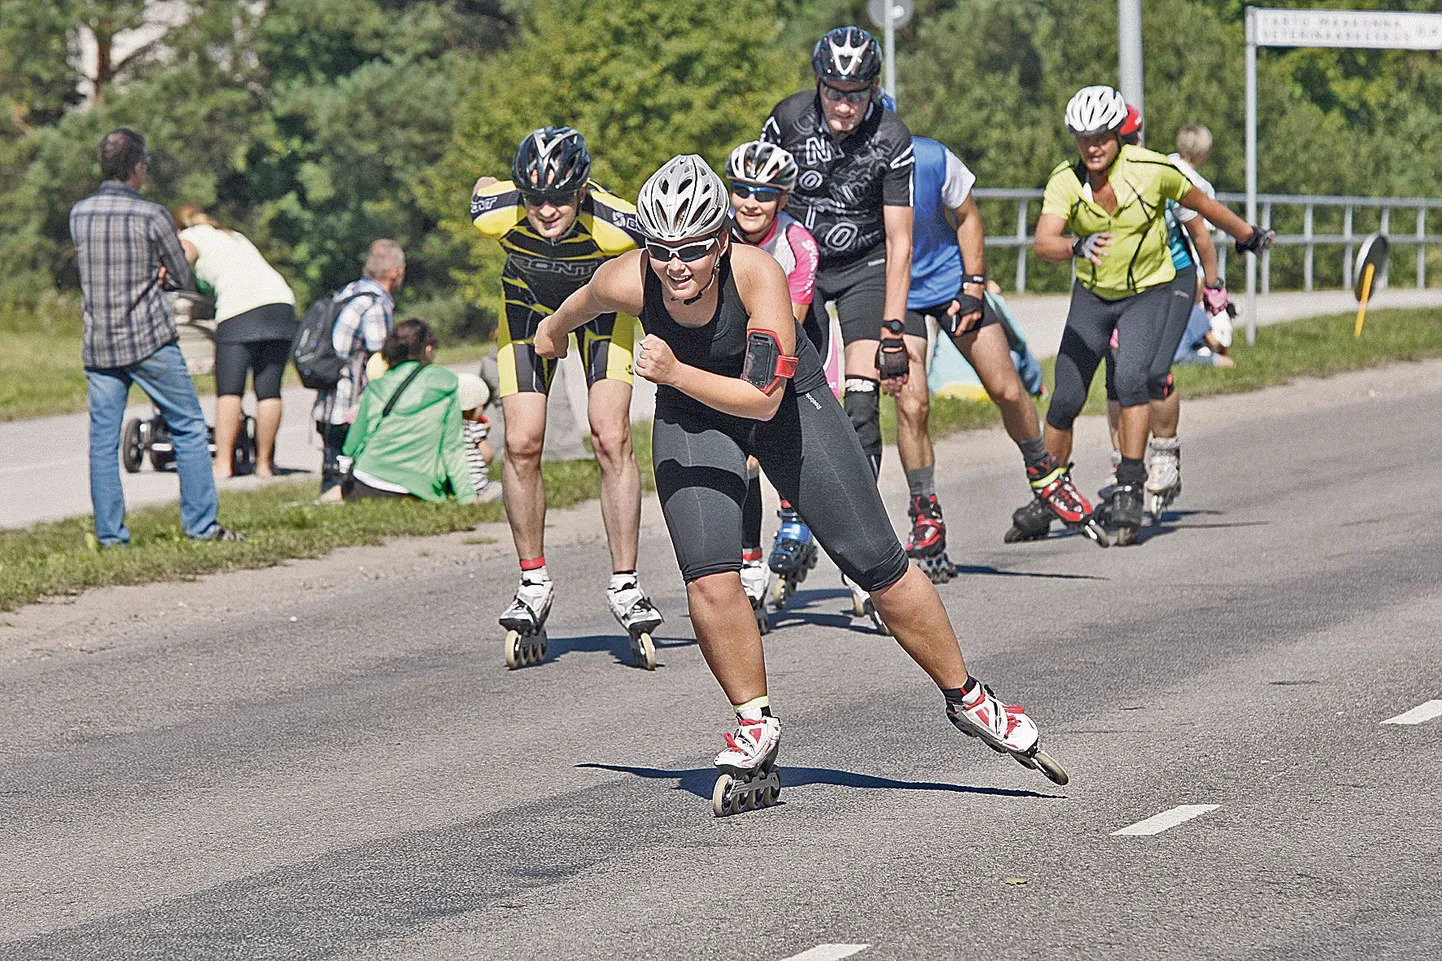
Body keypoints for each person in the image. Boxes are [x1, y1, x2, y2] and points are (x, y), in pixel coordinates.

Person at [534, 155, 1067, 815]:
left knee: (880, 565)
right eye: (664, 250)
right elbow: (581, 301)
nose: (677, 265)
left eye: (695, 249)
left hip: (785, 410)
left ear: (723, 240)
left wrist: (671, 373)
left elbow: (760, 399)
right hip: (695, 417)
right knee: (708, 575)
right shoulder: (630, 276)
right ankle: (754, 722)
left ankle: (968, 696)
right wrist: (549, 331)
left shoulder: (760, 275)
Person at [1030, 86, 1272, 545]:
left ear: (1118, 133)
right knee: (1066, 398)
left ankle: (1129, 486)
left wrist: (1248, 235)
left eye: (1101, 134)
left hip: (1150, 289)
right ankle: (1049, 490)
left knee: (1132, 379)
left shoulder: (1151, 170)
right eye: (1083, 137)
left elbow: (1204, 208)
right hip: (1095, 292)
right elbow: (1043, 242)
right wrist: (1073, 246)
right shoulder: (1064, 179)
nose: (1093, 146)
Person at [470, 126, 662, 655]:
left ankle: (626, 582)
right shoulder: (497, 214)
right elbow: (483, 188)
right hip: (526, 308)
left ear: (583, 190)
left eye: (560, 197)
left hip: (600, 310)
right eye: (535, 199)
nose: (547, 209)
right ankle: (533, 581)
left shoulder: (617, 226)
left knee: (610, 436)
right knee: (521, 442)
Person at [761, 26, 916, 617]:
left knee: (859, 408)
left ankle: (865, 556)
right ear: (817, 85)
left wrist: (894, 330)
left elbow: (901, 240)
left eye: (857, 93)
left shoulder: (891, 136)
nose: (845, 106)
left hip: (863, 268)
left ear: (875, 89)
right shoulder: (788, 119)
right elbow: (757, 200)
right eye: (834, 92)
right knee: (787, 397)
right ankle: (795, 521)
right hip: (800, 261)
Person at [905, 136, 1107, 565]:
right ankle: (925, 511)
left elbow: (968, 215)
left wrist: (974, 284)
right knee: (912, 404)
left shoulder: (932, 156)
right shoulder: (847, 165)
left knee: (1008, 388)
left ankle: (1045, 475)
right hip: (896, 292)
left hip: (948, 281)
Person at [69, 128, 242, 546]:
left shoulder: (80, 213)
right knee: (186, 426)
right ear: (138, 167)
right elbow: (181, 276)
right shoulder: (151, 215)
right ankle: (201, 526)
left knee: (103, 444)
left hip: (101, 343)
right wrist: (161, 273)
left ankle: (111, 536)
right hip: (149, 340)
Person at [1096, 108, 1226, 522]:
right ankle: (1123, 464)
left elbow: (1201, 235)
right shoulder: (1091, 177)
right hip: (1121, 282)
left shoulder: (1160, 173)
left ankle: (1165, 455)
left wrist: (1213, 286)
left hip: (1171, 277)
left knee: (1152, 371)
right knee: (1117, 375)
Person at [723, 140, 825, 620]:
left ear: (783, 198)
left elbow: (790, 329)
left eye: (763, 193)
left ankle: (796, 518)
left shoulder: (797, 244)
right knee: (742, 460)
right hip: (731, 346)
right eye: (741, 189)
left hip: (789, 340)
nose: (750, 202)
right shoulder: (717, 234)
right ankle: (749, 564)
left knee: (774, 439)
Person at [174, 205, 297, 479]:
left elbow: (182, 256)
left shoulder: (193, 235)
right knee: (269, 391)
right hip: (281, 304)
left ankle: (223, 463)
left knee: (230, 391)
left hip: (240, 309)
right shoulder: (234, 236)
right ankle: (264, 465)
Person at [340, 319, 477, 503]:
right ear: (428, 349)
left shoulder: (377, 386)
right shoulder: (446, 383)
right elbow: (452, 447)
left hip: (366, 482)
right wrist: (467, 496)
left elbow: (351, 446)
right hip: (415, 488)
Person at [313, 239, 405, 502]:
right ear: (395, 272)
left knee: (332, 465)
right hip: (350, 403)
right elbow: (381, 355)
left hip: (328, 396)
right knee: (347, 472)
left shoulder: (348, 292)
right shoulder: (375, 303)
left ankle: (326, 502)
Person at [455, 372, 501, 504]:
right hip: (477, 486)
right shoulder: (475, 429)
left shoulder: (451, 428)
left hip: (458, 486)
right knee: (501, 487)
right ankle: (480, 500)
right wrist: (484, 435)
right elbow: (488, 457)